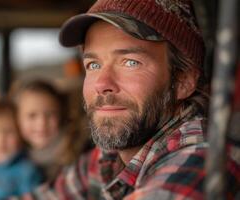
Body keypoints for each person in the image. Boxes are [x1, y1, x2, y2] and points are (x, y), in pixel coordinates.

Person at [13, 0, 240, 199]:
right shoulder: (109, 158)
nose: (102, 84)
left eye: (130, 62)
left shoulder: (204, 161)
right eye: (93, 65)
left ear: (184, 81)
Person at [10, 79, 90, 182]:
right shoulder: (15, 159)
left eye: (50, 114)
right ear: (17, 119)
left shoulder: (79, 154)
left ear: (61, 115)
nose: (42, 123)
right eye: (32, 115)